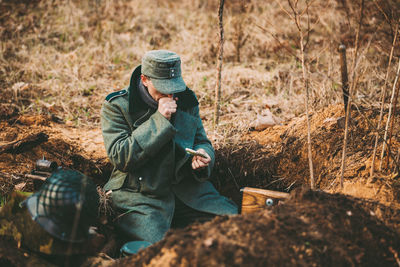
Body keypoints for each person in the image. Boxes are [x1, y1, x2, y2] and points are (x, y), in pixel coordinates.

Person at [101, 50, 238, 244]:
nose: (169, 94)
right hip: (140, 195)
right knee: (163, 248)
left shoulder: (187, 100)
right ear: (145, 79)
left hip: (186, 191)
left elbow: (202, 140)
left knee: (237, 226)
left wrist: (203, 155)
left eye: (173, 87)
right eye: (163, 88)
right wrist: (159, 120)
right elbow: (121, 157)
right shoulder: (118, 106)